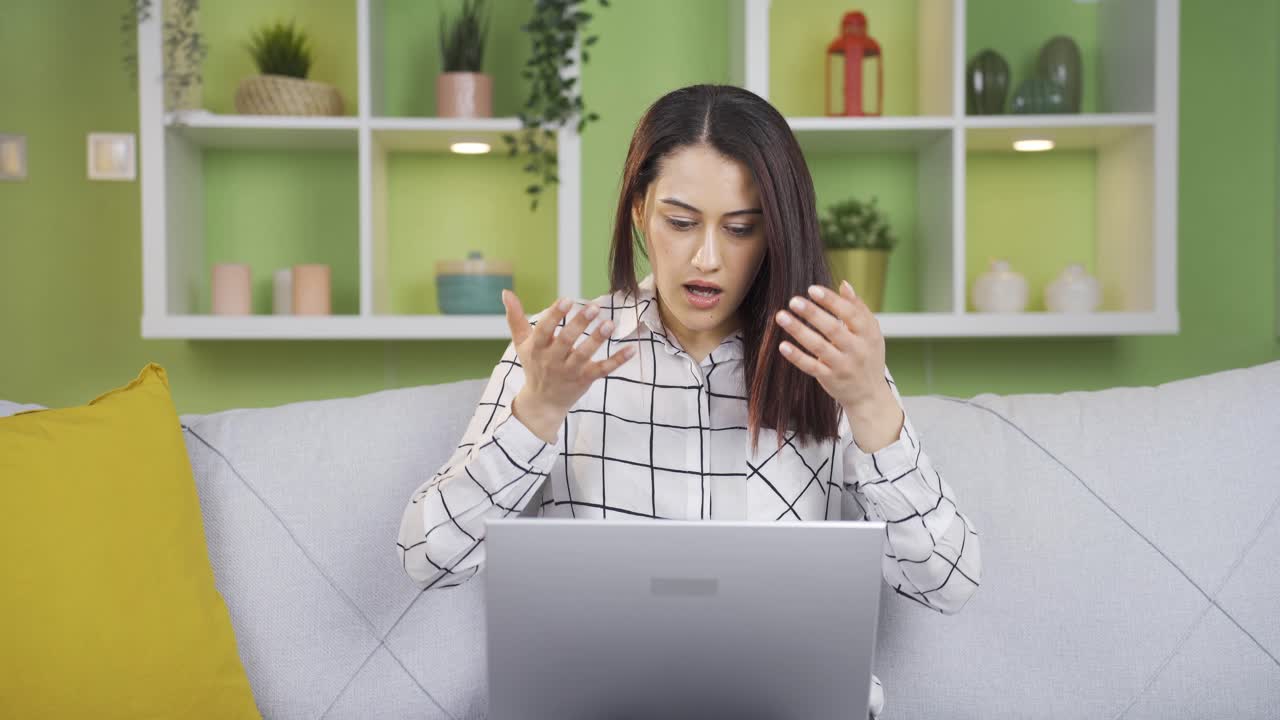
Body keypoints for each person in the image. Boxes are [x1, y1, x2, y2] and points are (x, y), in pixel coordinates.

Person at [396, 83, 983, 719]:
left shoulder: (831, 357)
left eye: (740, 229)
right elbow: (428, 560)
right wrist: (537, 413)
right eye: (681, 222)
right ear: (640, 210)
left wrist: (870, 402)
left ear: (776, 232)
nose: (708, 258)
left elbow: (946, 584)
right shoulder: (557, 350)